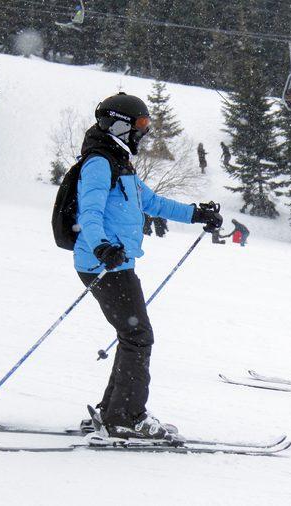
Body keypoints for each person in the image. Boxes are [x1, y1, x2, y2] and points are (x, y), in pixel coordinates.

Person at [74, 93, 223, 441]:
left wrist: (196, 213)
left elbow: (151, 202)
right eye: (140, 125)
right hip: (103, 264)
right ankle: (124, 417)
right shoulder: (99, 163)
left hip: (116, 263)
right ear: (121, 125)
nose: (144, 132)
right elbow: (89, 212)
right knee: (139, 336)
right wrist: (101, 246)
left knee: (133, 335)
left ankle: (113, 411)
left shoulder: (119, 161)